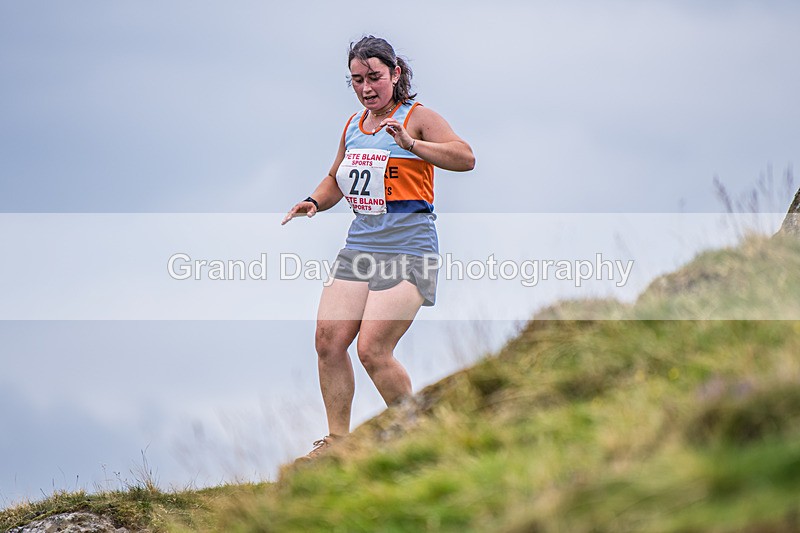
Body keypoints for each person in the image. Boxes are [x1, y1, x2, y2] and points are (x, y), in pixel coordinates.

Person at [281, 35, 474, 458]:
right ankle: (337, 445)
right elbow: (335, 179)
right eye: (356, 80)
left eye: (374, 78)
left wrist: (412, 145)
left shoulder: (418, 117)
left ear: (395, 74)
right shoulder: (353, 125)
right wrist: (314, 201)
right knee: (328, 340)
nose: (366, 88)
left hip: (409, 248)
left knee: (372, 348)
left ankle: (417, 435)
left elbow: (465, 157)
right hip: (360, 248)